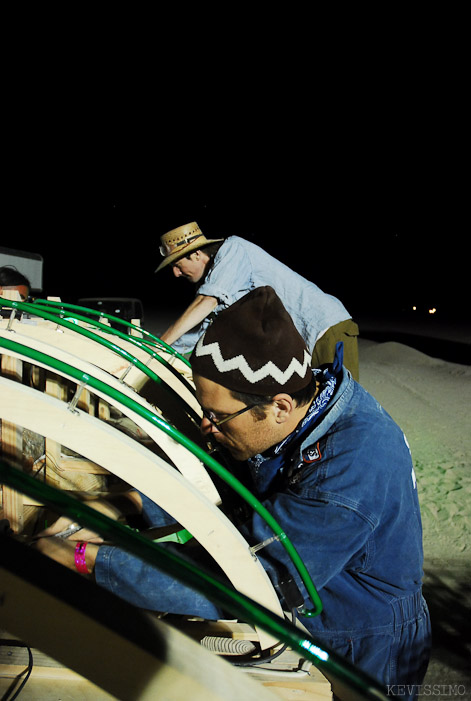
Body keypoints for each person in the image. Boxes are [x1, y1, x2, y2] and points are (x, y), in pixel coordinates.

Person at [36, 287, 430, 698]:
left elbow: (245, 578)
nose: (208, 427)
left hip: (364, 640)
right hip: (323, 610)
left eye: (219, 417)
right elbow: (227, 477)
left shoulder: (350, 467)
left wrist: (83, 559)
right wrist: (123, 504)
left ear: (278, 406)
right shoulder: (305, 409)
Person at [156, 221, 360, 380]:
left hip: (325, 329)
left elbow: (206, 301)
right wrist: (156, 353)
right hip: (299, 348)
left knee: (342, 409)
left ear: (197, 253)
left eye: (177, 264)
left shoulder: (233, 249)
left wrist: (159, 344)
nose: (175, 273)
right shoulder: (221, 281)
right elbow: (196, 332)